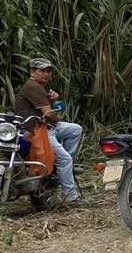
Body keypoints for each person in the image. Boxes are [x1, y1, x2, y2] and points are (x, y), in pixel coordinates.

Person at [13, 58, 83, 203]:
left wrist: (53, 100)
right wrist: (56, 115)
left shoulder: (39, 87)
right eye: (42, 71)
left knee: (75, 129)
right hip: (37, 130)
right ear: (32, 72)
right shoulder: (33, 86)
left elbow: (48, 112)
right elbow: (49, 114)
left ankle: (57, 169)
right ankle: (69, 195)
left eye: (48, 71)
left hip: (47, 127)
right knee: (65, 159)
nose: (46, 74)